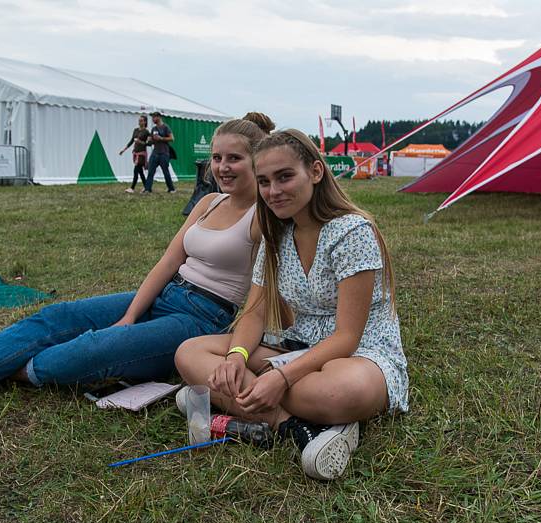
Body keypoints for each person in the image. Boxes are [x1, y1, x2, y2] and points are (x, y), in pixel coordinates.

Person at [0, 118, 270, 418]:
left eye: (234, 158)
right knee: (56, 316)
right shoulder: (207, 202)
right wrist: (131, 314)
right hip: (165, 296)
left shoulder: (266, 218)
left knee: (83, 353)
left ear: (257, 161)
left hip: (200, 320)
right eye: (216, 158)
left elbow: (262, 293)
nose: (222, 167)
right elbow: (166, 263)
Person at [175, 129, 409, 480]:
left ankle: (236, 403)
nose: (273, 191)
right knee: (189, 353)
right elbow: (253, 313)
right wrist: (237, 357)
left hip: (360, 354)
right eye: (265, 181)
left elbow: (347, 337)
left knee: (337, 392)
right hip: (297, 348)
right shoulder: (277, 235)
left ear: (315, 172)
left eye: (285, 177)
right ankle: (295, 427)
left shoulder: (352, 231)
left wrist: (281, 378)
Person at [144, 111, 175, 194]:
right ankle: (147, 189)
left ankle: (171, 189)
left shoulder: (165, 127)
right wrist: (150, 140)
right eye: (152, 117)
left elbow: (172, 138)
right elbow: (151, 142)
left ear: (158, 117)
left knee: (165, 172)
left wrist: (161, 138)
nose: (153, 119)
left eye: (154, 117)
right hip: (155, 152)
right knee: (150, 171)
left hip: (164, 153)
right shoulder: (153, 129)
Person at [119, 115, 150, 193]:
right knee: (140, 171)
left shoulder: (146, 132)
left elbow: (149, 143)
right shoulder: (135, 130)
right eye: (139, 120)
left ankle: (132, 188)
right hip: (135, 153)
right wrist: (124, 149)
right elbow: (131, 141)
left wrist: (140, 142)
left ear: (145, 122)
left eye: (141, 120)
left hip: (142, 154)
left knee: (136, 170)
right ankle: (147, 187)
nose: (139, 122)